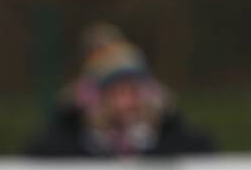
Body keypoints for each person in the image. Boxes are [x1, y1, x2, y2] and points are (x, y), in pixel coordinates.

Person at [26, 34, 215, 157]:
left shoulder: (187, 143)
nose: (125, 103)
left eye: (134, 92)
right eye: (114, 93)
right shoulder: (57, 146)